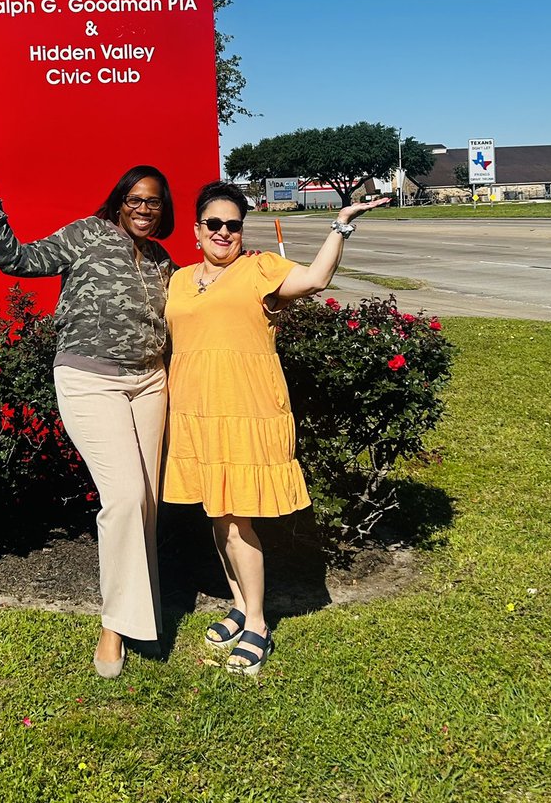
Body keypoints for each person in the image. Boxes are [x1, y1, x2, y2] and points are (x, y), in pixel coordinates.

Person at [0, 156, 174, 678]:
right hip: (90, 378)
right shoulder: (88, 234)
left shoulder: (162, 262)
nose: (143, 208)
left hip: (150, 382)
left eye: (153, 202)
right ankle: (114, 626)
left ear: (164, 211)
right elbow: (18, 261)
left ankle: (140, 606)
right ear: (119, 201)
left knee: (148, 503)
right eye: (134, 199)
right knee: (125, 497)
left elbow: (194, 306)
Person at [162, 180, 389, 676]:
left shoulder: (260, 268)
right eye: (214, 224)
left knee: (238, 517)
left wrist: (341, 225)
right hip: (195, 412)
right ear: (197, 230)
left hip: (246, 409)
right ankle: (241, 603)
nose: (224, 233)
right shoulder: (177, 281)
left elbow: (315, 280)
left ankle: (258, 624)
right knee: (217, 516)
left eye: (233, 225)